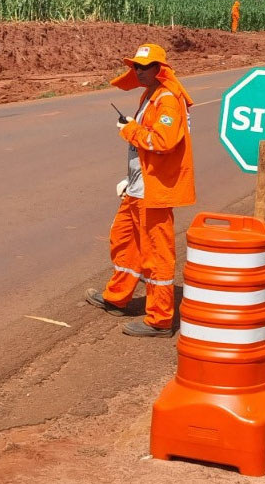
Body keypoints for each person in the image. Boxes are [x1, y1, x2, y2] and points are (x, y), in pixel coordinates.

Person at [86, 43, 195, 337]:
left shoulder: (168, 99)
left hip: (154, 192)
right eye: (136, 66)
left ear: (161, 68)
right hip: (138, 187)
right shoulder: (151, 95)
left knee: (156, 254)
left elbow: (162, 142)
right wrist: (130, 177)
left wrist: (129, 130)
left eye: (145, 67)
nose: (139, 71)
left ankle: (159, 319)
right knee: (124, 242)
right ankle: (117, 297)